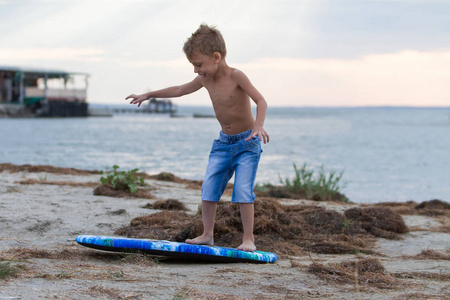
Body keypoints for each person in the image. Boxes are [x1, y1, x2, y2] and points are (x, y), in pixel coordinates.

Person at [126, 24, 269, 251]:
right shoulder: (205, 79)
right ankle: (207, 234)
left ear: (216, 57)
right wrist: (149, 94)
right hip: (223, 143)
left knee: (243, 190)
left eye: (198, 64)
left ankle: (248, 239)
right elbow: (179, 90)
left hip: (247, 143)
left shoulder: (236, 76)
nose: (196, 70)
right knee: (209, 187)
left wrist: (258, 125)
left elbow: (261, 101)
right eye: (194, 65)